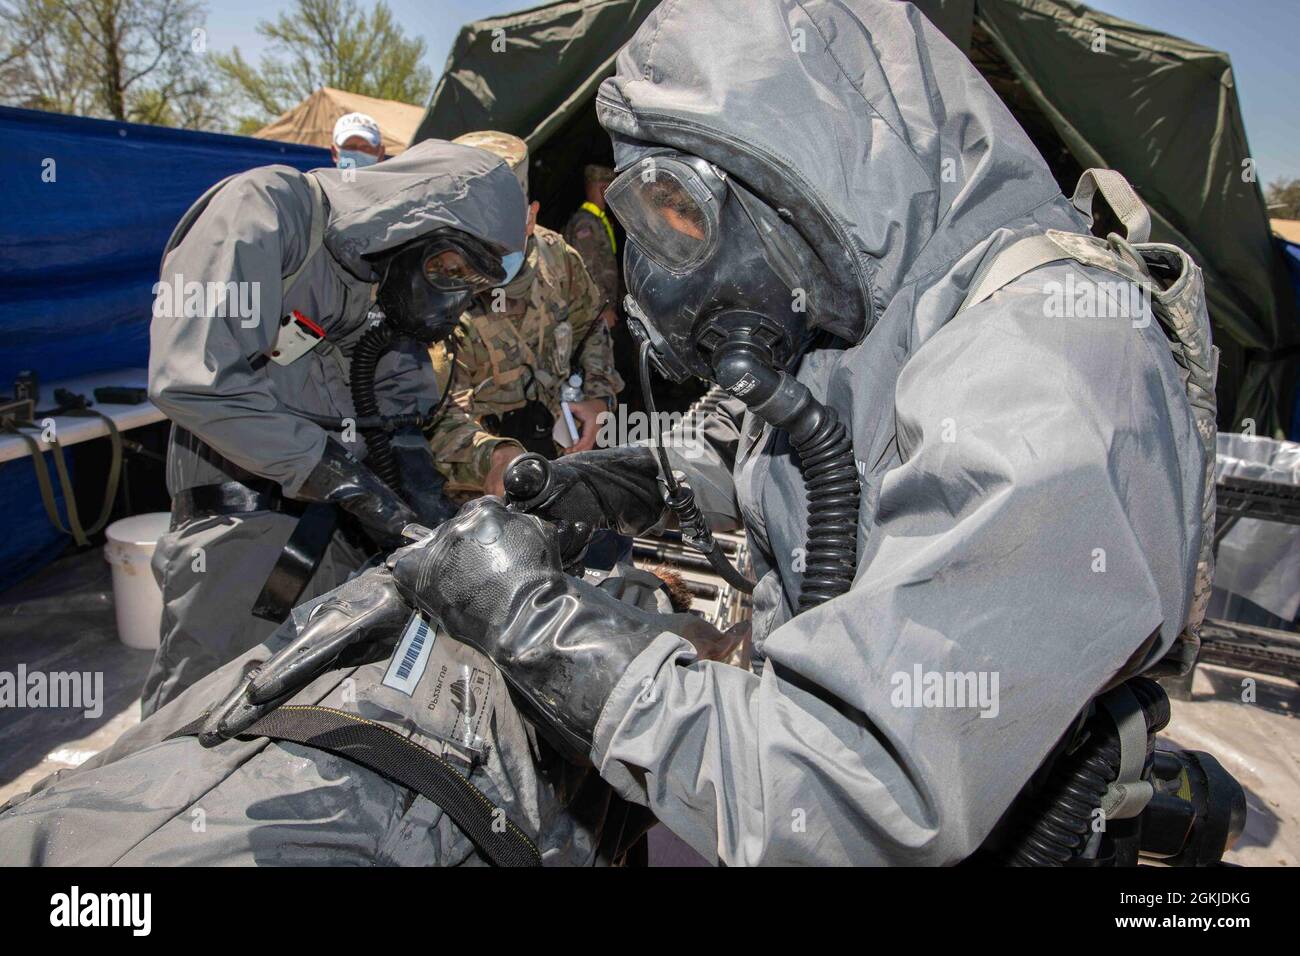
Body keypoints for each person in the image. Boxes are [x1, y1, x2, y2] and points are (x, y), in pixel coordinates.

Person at [138, 140, 527, 717]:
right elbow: (194, 378)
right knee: (199, 719)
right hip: (241, 540)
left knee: (315, 724)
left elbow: (400, 419)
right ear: (409, 223)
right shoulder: (267, 213)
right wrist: (331, 472)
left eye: (469, 285)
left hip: (348, 542)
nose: (452, 299)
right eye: (447, 269)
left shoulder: (381, 282)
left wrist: (436, 522)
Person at [427, 132, 622, 497]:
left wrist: (599, 398)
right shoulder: (434, 284)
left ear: (530, 217)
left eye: (500, 227)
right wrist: (496, 457)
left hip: (559, 460)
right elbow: (434, 414)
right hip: (475, 485)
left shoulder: (558, 258)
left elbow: (592, 327)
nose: (487, 246)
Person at [564, 164, 619, 312]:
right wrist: (603, 308)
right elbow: (587, 269)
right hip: (594, 310)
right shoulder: (585, 223)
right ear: (603, 189)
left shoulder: (596, 220)